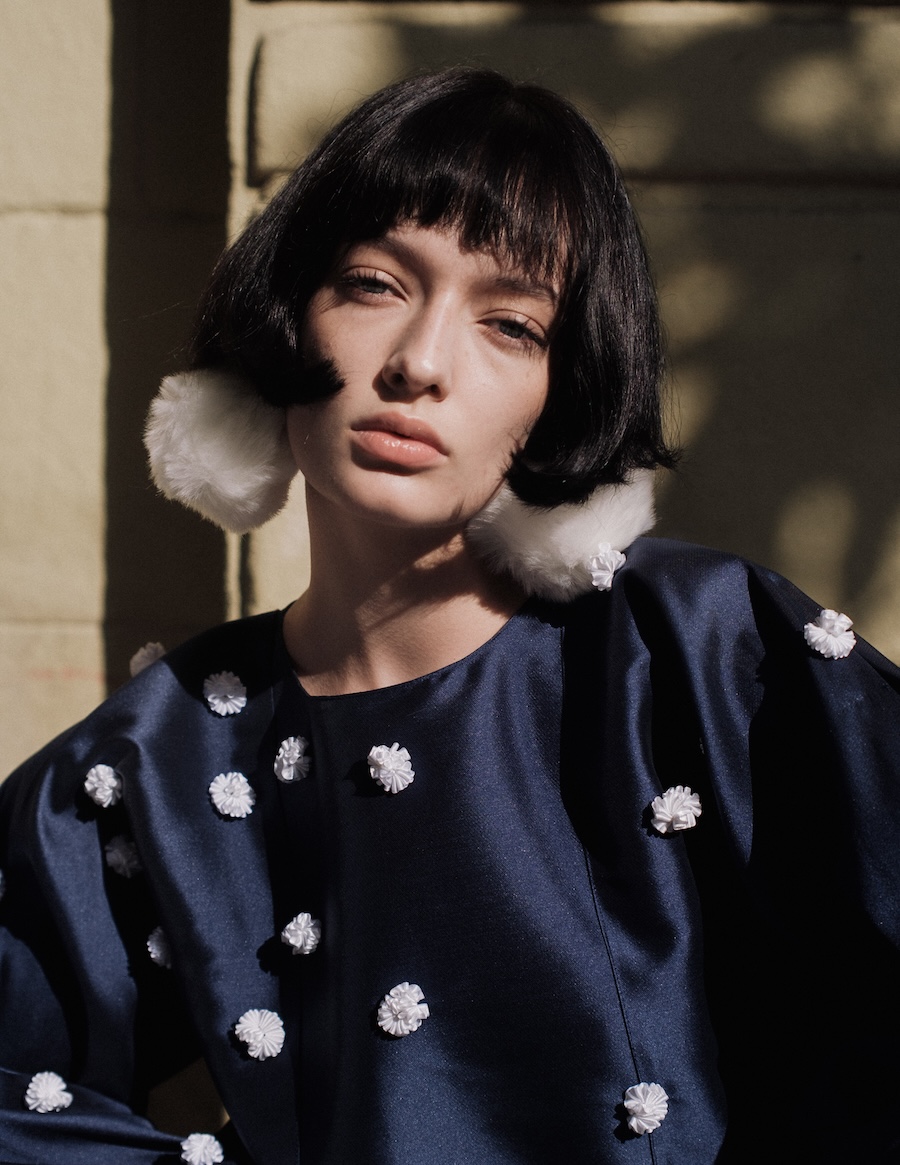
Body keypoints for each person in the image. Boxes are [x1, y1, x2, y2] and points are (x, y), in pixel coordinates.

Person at [1, 68, 898, 1165]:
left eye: (511, 324)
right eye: (373, 284)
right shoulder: (166, 752)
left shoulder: (693, 650)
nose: (420, 364)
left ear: (566, 383)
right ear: (292, 307)